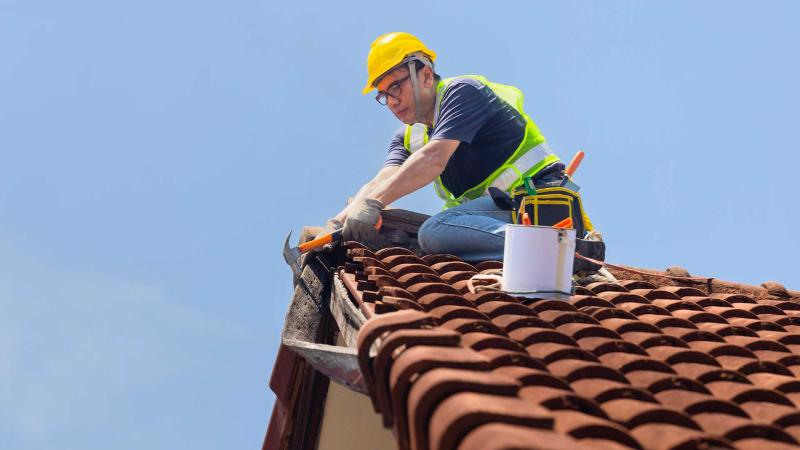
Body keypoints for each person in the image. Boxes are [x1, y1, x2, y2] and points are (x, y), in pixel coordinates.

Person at [321, 32, 580, 262]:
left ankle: (556, 251)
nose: (391, 101)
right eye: (383, 94)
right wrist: (339, 220)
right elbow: (383, 178)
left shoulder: (463, 92)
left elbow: (434, 158)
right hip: (499, 213)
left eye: (396, 87)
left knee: (436, 230)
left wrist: (373, 203)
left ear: (425, 75)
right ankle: (538, 251)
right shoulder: (408, 137)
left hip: (538, 201)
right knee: (401, 229)